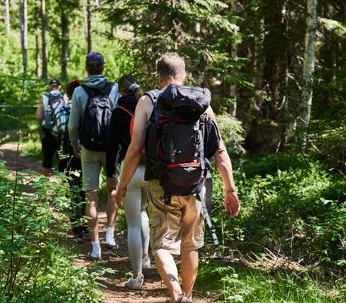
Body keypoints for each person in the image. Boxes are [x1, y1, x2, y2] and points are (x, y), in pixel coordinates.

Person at [115, 52, 241, 303]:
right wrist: (230, 189)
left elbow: (135, 148)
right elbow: (220, 151)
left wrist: (123, 185)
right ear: (184, 75)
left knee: (161, 245)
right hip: (196, 184)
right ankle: (188, 296)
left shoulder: (148, 101)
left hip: (161, 183)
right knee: (191, 245)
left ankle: (176, 297)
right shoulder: (202, 103)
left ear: (159, 76)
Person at [68, 52, 120, 260]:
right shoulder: (114, 88)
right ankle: (110, 235)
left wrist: (75, 146)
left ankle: (95, 246)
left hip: (88, 149)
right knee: (113, 190)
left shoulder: (79, 91)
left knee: (91, 197)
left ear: (87, 68)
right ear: (103, 67)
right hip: (110, 149)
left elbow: (72, 125)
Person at [106, 75, 151, 289]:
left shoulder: (118, 112)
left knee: (133, 223)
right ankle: (147, 257)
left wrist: (110, 174)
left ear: (121, 91)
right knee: (145, 214)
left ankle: (136, 277)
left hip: (129, 170)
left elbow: (112, 146)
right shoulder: (149, 104)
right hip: (152, 170)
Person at [58, 79, 87, 240]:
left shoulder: (64, 107)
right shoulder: (86, 107)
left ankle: (77, 229)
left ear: (69, 93)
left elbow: (58, 129)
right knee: (84, 189)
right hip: (86, 152)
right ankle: (84, 224)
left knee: (71, 189)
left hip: (68, 154)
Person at [35, 79, 68, 176]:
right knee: (63, 157)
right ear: (59, 87)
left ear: (50, 87)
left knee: (47, 157)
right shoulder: (65, 96)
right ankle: (64, 185)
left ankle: (46, 184)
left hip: (48, 131)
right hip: (62, 131)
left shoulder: (44, 97)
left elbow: (39, 116)